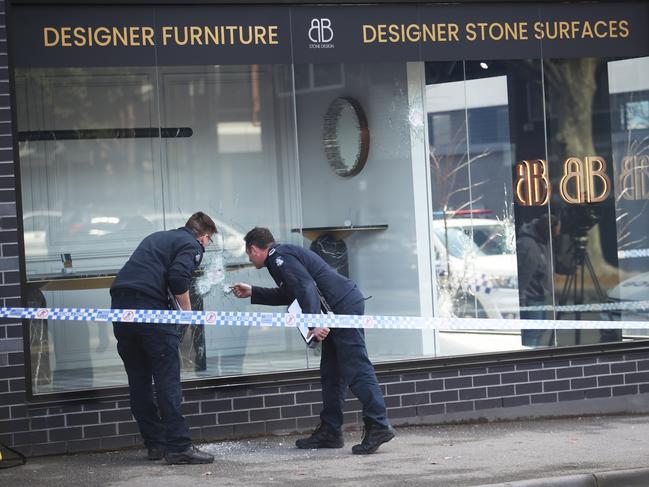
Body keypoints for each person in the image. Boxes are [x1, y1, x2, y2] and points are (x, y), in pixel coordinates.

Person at [232, 227, 395, 454]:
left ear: (253, 248)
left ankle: (378, 425)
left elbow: (305, 287)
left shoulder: (279, 258)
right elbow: (292, 293)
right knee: (331, 373)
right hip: (334, 309)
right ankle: (330, 430)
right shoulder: (279, 258)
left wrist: (313, 324)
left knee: (356, 367)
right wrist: (253, 292)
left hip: (340, 308)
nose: (249, 258)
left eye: (248, 254)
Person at [110, 212, 217, 465]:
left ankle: (155, 444)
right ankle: (179, 447)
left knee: (139, 381)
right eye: (209, 240)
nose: (207, 244)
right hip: (150, 309)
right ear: (204, 236)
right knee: (167, 379)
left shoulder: (157, 238)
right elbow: (179, 278)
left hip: (120, 307)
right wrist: (188, 315)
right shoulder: (191, 245)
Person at [517, 213, 559, 347]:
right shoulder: (530, 247)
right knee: (533, 332)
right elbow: (524, 276)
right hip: (531, 297)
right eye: (554, 233)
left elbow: (546, 263)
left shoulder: (541, 241)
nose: (555, 237)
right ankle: (530, 357)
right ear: (547, 231)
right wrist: (522, 299)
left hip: (538, 295)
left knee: (538, 329)